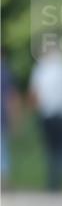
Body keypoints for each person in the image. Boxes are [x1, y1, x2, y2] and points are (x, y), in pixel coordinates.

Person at [28, 45, 62, 191]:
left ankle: (54, 182)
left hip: (48, 114)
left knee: (52, 149)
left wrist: (34, 110)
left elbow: (35, 93)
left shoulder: (41, 68)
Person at [1, 47, 23, 188]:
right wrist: (15, 118)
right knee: (2, 149)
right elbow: (12, 98)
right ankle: (4, 181)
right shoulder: (6, 73)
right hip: (2, 117)